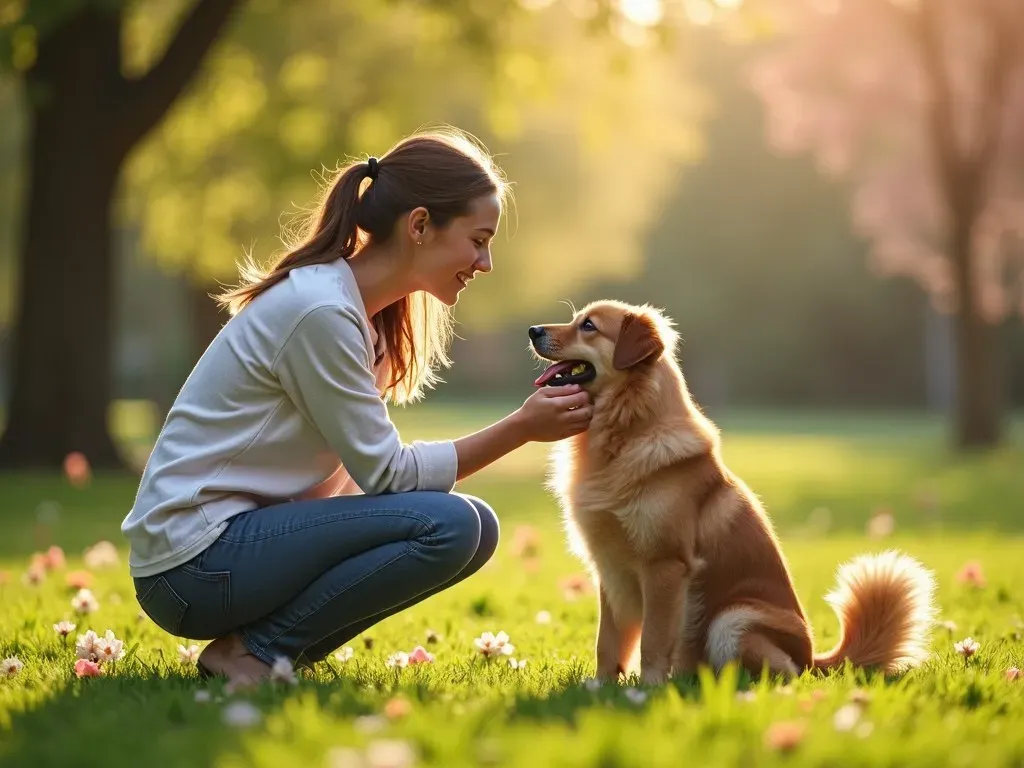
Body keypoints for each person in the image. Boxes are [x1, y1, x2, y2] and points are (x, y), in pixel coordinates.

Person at [122, 128, 593, 684]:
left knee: (473, 527)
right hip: (192, 564)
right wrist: (521, 427)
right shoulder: (320, 310)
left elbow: (354, 483)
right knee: (455, 525)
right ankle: (253, 653)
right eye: (478, 239)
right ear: (419, 225)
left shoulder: (356, 316)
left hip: (226, 552)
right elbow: (387, 474)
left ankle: (260, 652)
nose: (485, 262)